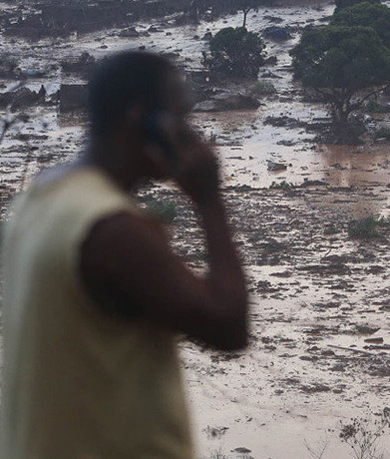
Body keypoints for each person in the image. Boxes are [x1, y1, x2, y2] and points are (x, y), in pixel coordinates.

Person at [0, 51, 248, 458]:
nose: (189, 131)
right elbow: (228, 325)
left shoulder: (36, 201)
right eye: (179, 116)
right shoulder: (112, 229)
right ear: (142, 119)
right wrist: (208, 198)